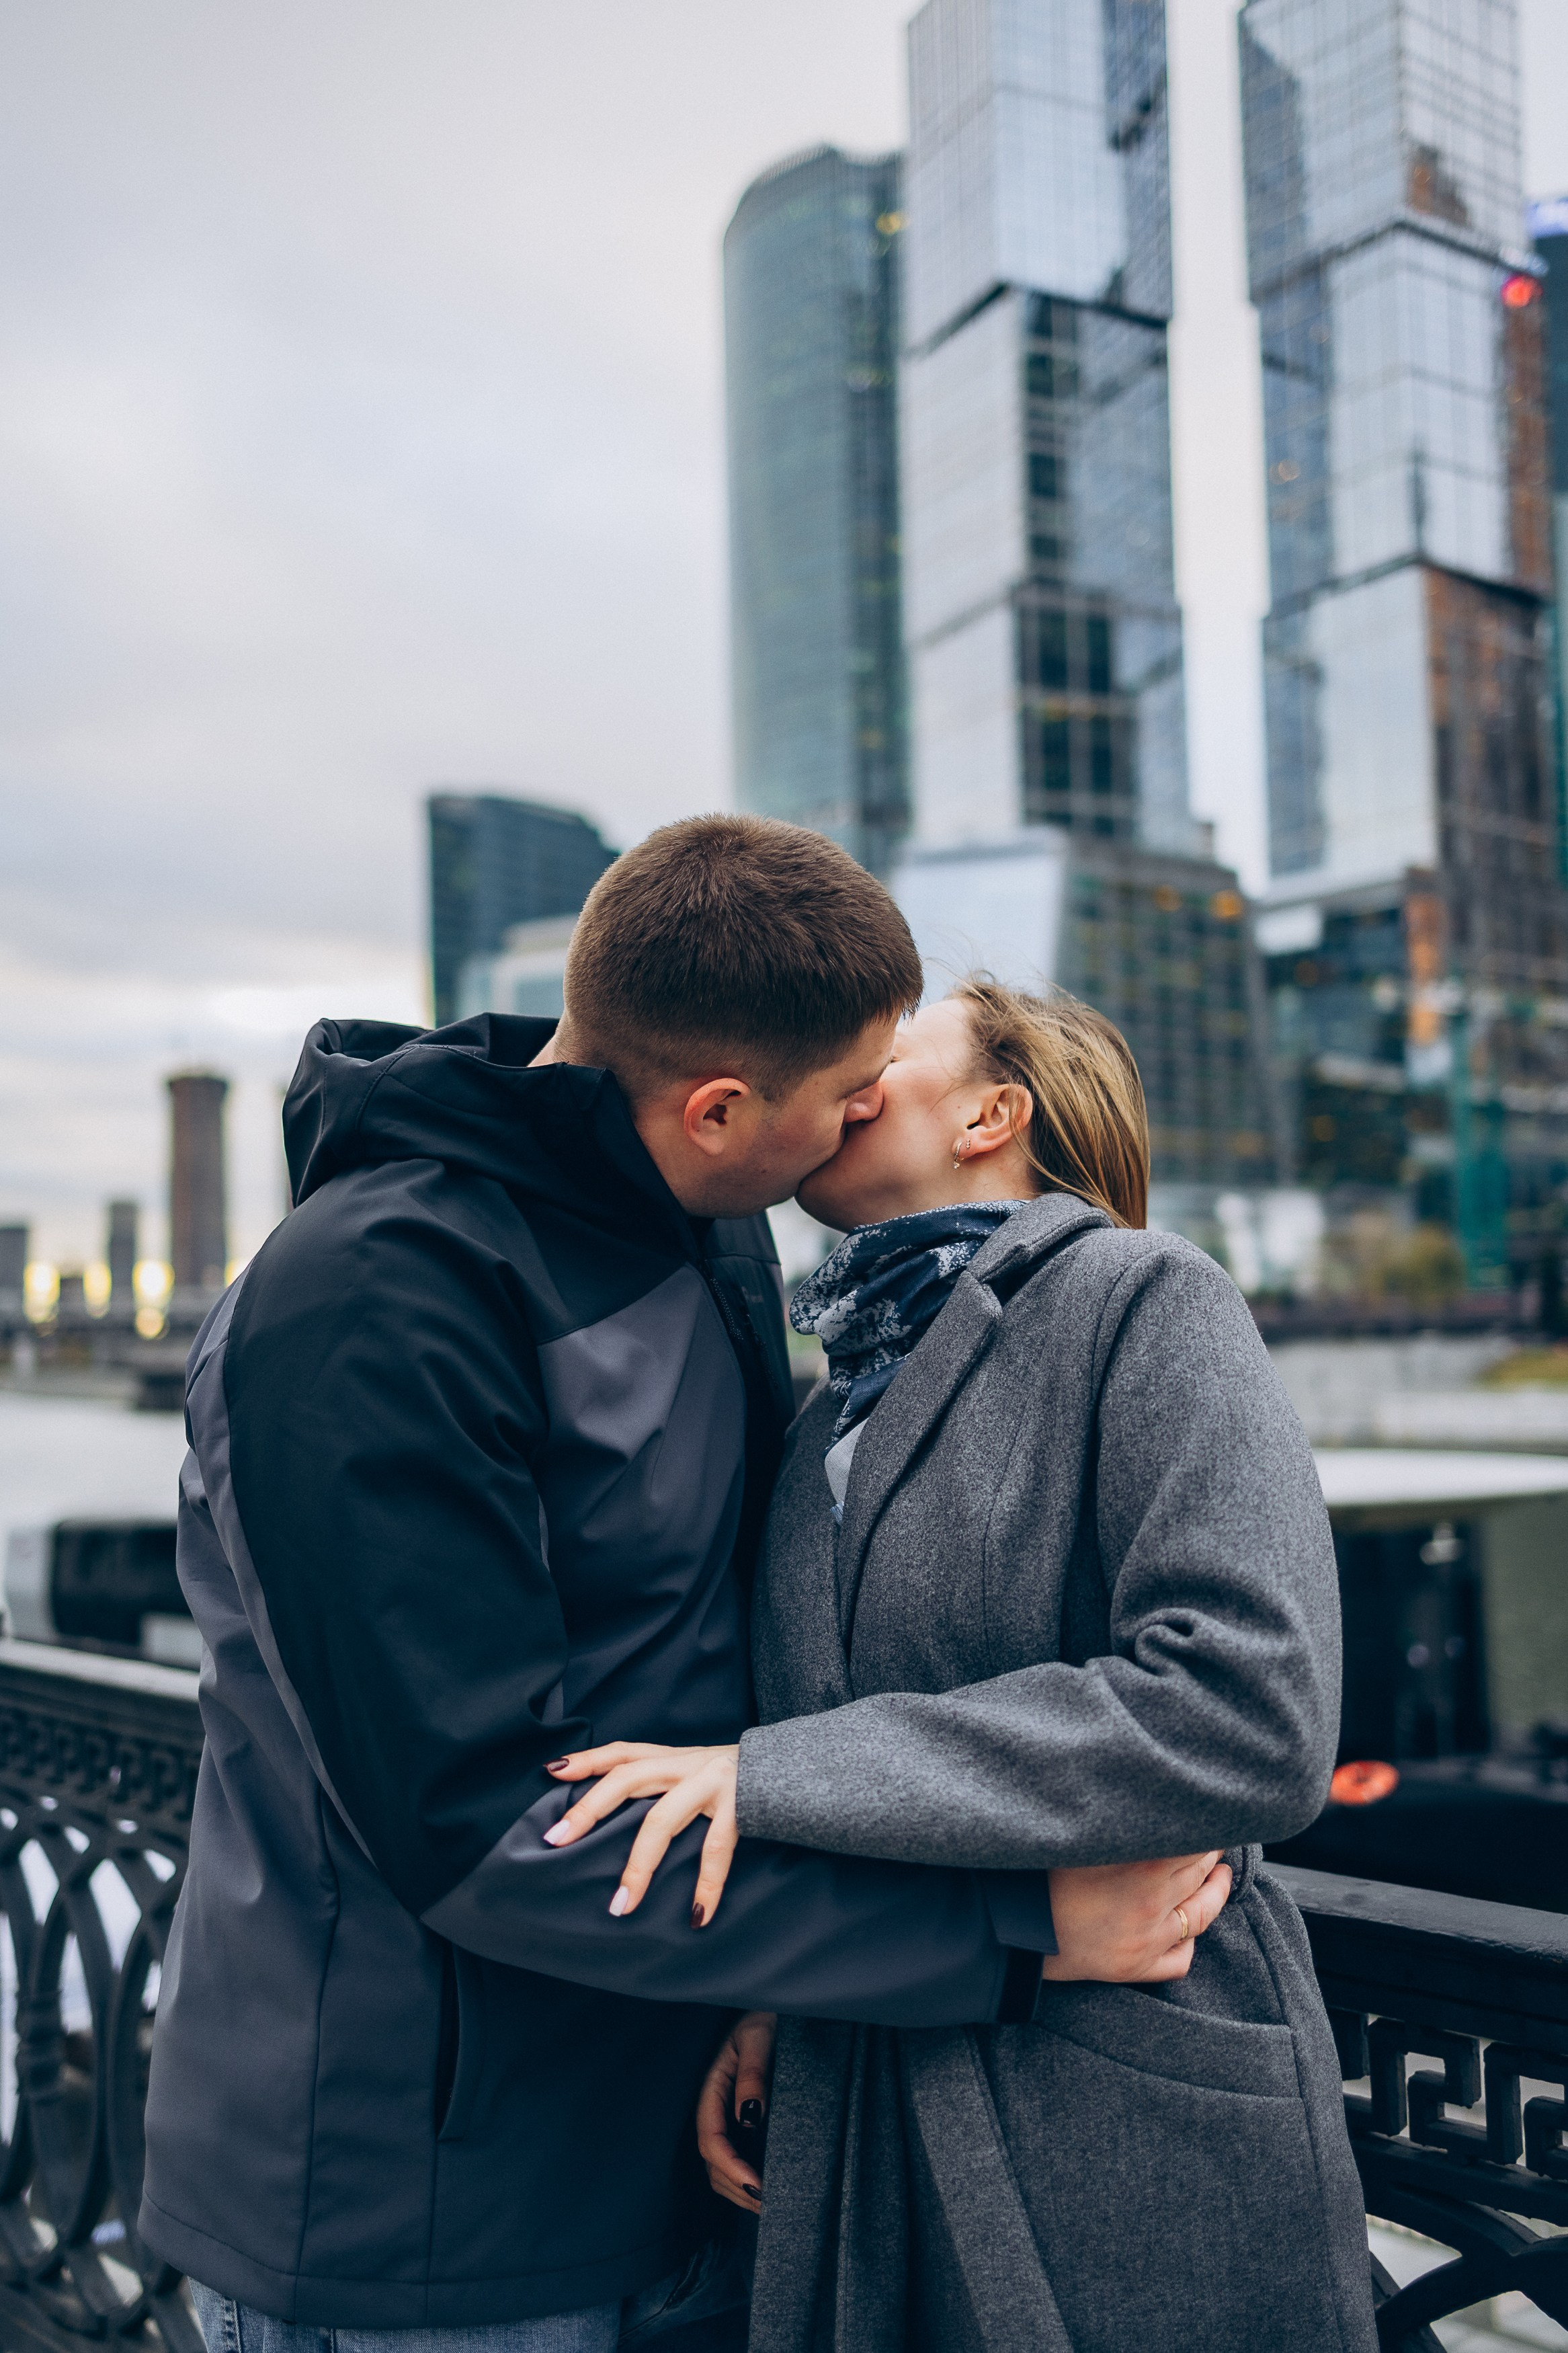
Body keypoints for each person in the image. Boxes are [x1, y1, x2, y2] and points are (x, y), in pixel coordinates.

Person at [140, 823, 1232, 2353]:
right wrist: (1008, 1936)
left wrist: (773, 1993)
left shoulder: (707, 1238)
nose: (868, 1109)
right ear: (723, 1110)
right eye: (846, 1091)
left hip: (687, 2150)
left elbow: (726, 1666)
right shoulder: (366, 1303)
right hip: (427, 2213)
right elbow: (479, 1831)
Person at [542, 977, 1380, 2353]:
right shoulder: (831, 1409)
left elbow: (1252, 1709)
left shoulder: (1145, 1296)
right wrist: (774, 1993)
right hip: (865, 2088)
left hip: (1124, 2094)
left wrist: (774, 1777)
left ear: (996, 1110)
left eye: (883, 1060)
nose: (847, 1073)